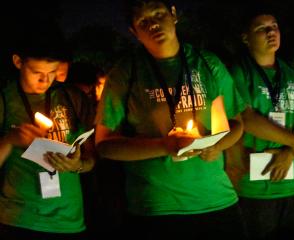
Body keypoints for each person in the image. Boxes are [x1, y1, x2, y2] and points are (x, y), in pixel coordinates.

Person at [95, 0, 247, 239]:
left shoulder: (207, 63)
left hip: (217, 199)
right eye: (143, 21)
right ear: (134, 32)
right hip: (157, 207)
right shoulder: (126, 72)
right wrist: (165, 146)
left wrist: (217, 145)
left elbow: (236, 123)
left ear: (173, 14)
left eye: (158, 14)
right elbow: (104, 145)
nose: (153, 24)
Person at [226, 8, 294, 240]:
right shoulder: (238, 72)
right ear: (245, 37)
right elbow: (245, 118)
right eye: (262, 28)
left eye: (274, 26)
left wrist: (291, 151)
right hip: (257, 183)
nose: (271, 32)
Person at [0, 23, 95, 239]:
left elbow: (92, 157)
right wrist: (10, 139)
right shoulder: (5, 99)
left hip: (70, 220)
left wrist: (78, 164)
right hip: (19, 218)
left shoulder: (72, 98)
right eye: (37, 72)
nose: (45, 80)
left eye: (52, 72)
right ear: (18, 62)